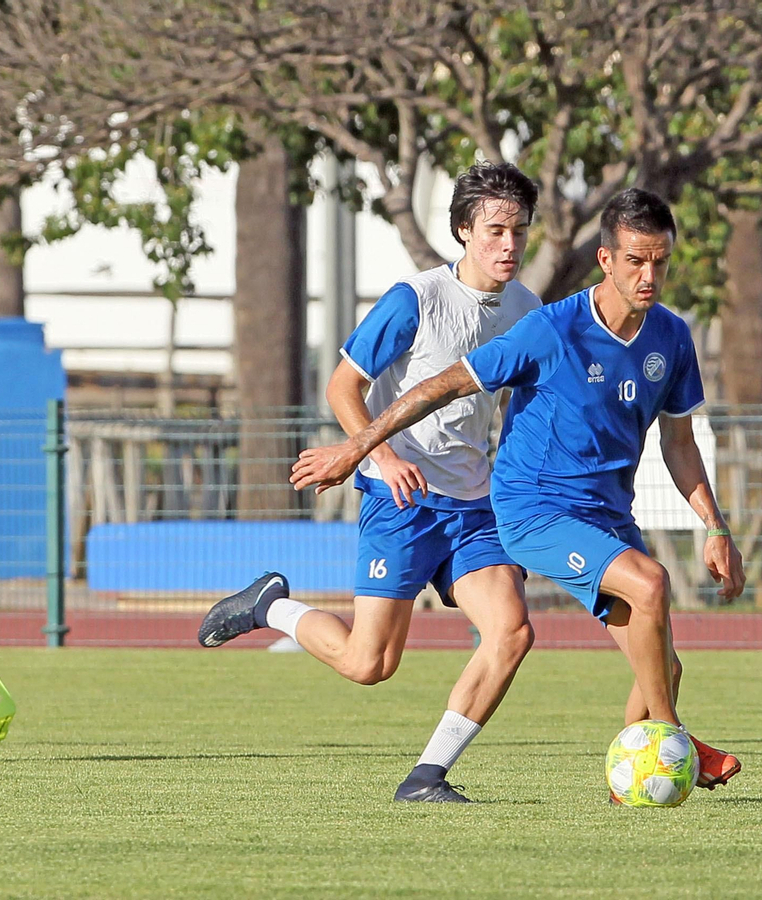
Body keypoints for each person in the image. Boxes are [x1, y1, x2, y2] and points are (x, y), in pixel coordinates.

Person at [289, 187, 746, 798]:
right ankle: (674, 738)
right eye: (636, 261)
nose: (649, 275)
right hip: (526, 509)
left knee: (659, 663)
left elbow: (680, 443)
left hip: (575, 512)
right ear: (606, 259)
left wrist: (715, 526)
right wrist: (361, 449)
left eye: (660, 262)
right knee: (369, 662)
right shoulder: (539, 325)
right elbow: (438, 386)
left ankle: (624, 781)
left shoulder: (667, 335)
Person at [197, 162, 543, 804]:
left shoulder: (527, 310)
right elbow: (342, 387)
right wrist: (381, 457)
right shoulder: (415, 300)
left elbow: (524, 404)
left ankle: (427, 776)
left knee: (512, 633)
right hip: (401, 501)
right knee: (369, 664)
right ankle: (269, 607)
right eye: (496, 230)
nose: (509, 244)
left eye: (519, 231)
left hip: (473, 506)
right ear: (464, 231)